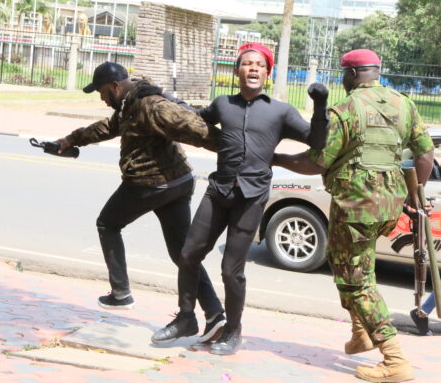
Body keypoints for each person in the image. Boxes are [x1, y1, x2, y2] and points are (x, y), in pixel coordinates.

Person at [152, 43, 329, 355]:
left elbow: (316, 141)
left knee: (231, 269)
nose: (253, 69)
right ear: (236, 71)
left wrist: (319, 107)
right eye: (247, 64)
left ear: (267, 73)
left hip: (252, 197)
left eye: (259, 65)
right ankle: (185, 318)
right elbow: (194, 118)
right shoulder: (223, 104)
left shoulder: (281, 111)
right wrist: (164, 97)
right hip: (219, 190)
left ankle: (233, 331)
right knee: (188, 253)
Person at [273, 49, 434, 382]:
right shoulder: (404, 103)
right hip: (388, 205)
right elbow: (425, 152)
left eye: (343, 76)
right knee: (346, 260)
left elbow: (315, 162)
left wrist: (275, 159)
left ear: (350, 75)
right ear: (375, 72)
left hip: (356, 206)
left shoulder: (345, 109)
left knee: (357, 282)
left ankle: (394, 359)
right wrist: (412, 195)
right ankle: (360, 332)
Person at [56, 62, 227, 343]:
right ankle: (214, 315)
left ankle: (121, 293)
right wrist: (70, 140)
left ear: (114, 86)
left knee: (107, 223)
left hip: (151, 184)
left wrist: (237, 150)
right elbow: (107, 128)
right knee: (183, 254)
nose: (100, 98)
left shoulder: (150, 104)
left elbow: (194, 127)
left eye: (100, 92)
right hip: (176, 184)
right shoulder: (127, 104)